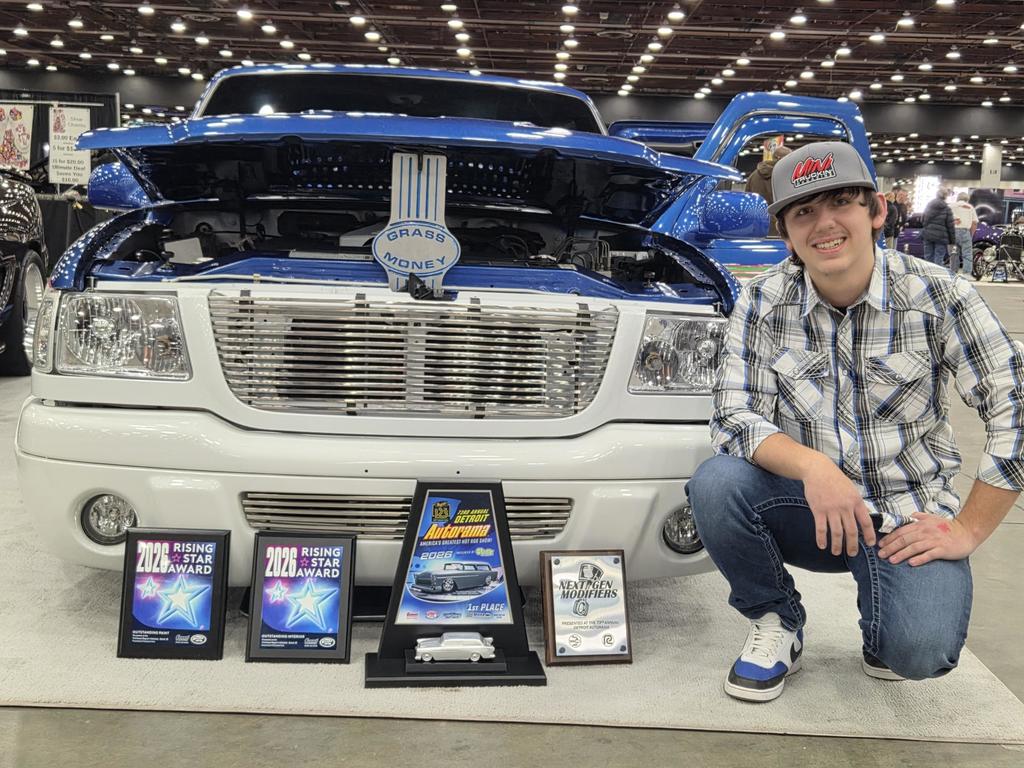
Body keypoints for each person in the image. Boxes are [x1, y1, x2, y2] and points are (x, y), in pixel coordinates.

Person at [686, 141, 1024, 703]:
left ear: (877, 210)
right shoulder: (762, 301)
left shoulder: (940, 296)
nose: (824, 224)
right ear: (784, 231)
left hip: (903, 517)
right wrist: (815, 468)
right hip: (805, 509)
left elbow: (1016, 409)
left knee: (917, 654)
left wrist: (967, 528)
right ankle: (778, 618)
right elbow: (732, 415)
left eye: (840, 201)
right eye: (803, 212)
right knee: (717, 482)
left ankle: (884, 629)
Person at [746, 144, 793, 236]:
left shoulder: (752, 176)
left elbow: (747, 200)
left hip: (755, 226)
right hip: (780, 229)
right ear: (780, 158)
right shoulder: (784, 176)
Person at [921, 187, 956, 269]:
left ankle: (928, 274)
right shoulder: (947, 209)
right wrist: (952, 241)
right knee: (939, 257)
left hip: (928, 235)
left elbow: (923, 220)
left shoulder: (929, 205)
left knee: (928, 256)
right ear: (945, 196)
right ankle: (936, 276)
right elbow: (950, 226)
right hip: (941, 236)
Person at [951, 192, 978, 275]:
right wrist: (971, 235)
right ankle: (966, 274)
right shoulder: (970, 207)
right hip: (965, 232)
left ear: (957, 198)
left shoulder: (951, 206)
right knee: (967, 254)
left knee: (954, 254)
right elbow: (974, 223)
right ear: (967, 199)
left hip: (952, 232)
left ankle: (953, 273)